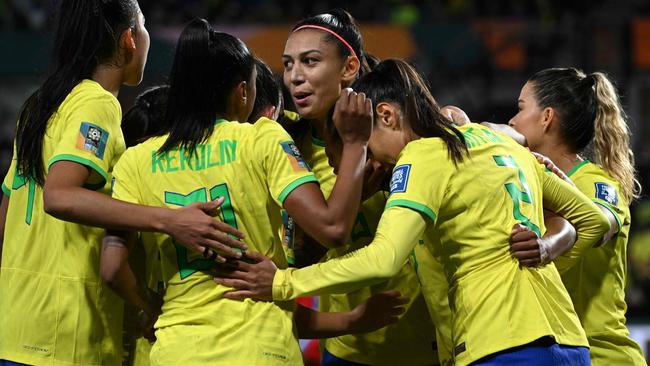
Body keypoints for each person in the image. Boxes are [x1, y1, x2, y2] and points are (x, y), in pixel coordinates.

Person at [215, 59, 612, 366]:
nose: (371, 158)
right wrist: (542, 255)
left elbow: (383, 259)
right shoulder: (497, 141)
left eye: (367, 143)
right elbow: (593, 220)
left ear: (386, 115)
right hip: (569, 342)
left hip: (502, 342)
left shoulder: (421, 154)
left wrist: (282, 284)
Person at [99, 18, 373, 365]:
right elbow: (333, 229)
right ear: (243, 92)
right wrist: (354, 144)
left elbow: (111, 268)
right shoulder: (260, 138)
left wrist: (152, 306)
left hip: (177, 349)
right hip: (259, 347)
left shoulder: (135, 162)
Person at [0, 2, 243, 365]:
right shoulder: (97, 104)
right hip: (67, 333)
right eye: (143, 26)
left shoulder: (40, 105)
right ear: (129, 39)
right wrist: (170, 219)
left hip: (17, 325)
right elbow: (59, 195)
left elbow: (6, 219)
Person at [280, 10, 439, 365]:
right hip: (350, 349)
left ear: (349, 68)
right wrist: (351, 199)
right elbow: (293, 261)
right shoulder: (286, 147)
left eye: (310, 61)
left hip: (431, 341)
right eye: (288, 64)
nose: (295, 77)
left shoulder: (400, 133)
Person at [506, 68, 646, 365]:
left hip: (604, 356)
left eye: (520, 109)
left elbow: (599, 223)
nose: (512, 121)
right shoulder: (526, 186)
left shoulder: (598, 184)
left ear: (547, 117)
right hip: (554, 354)